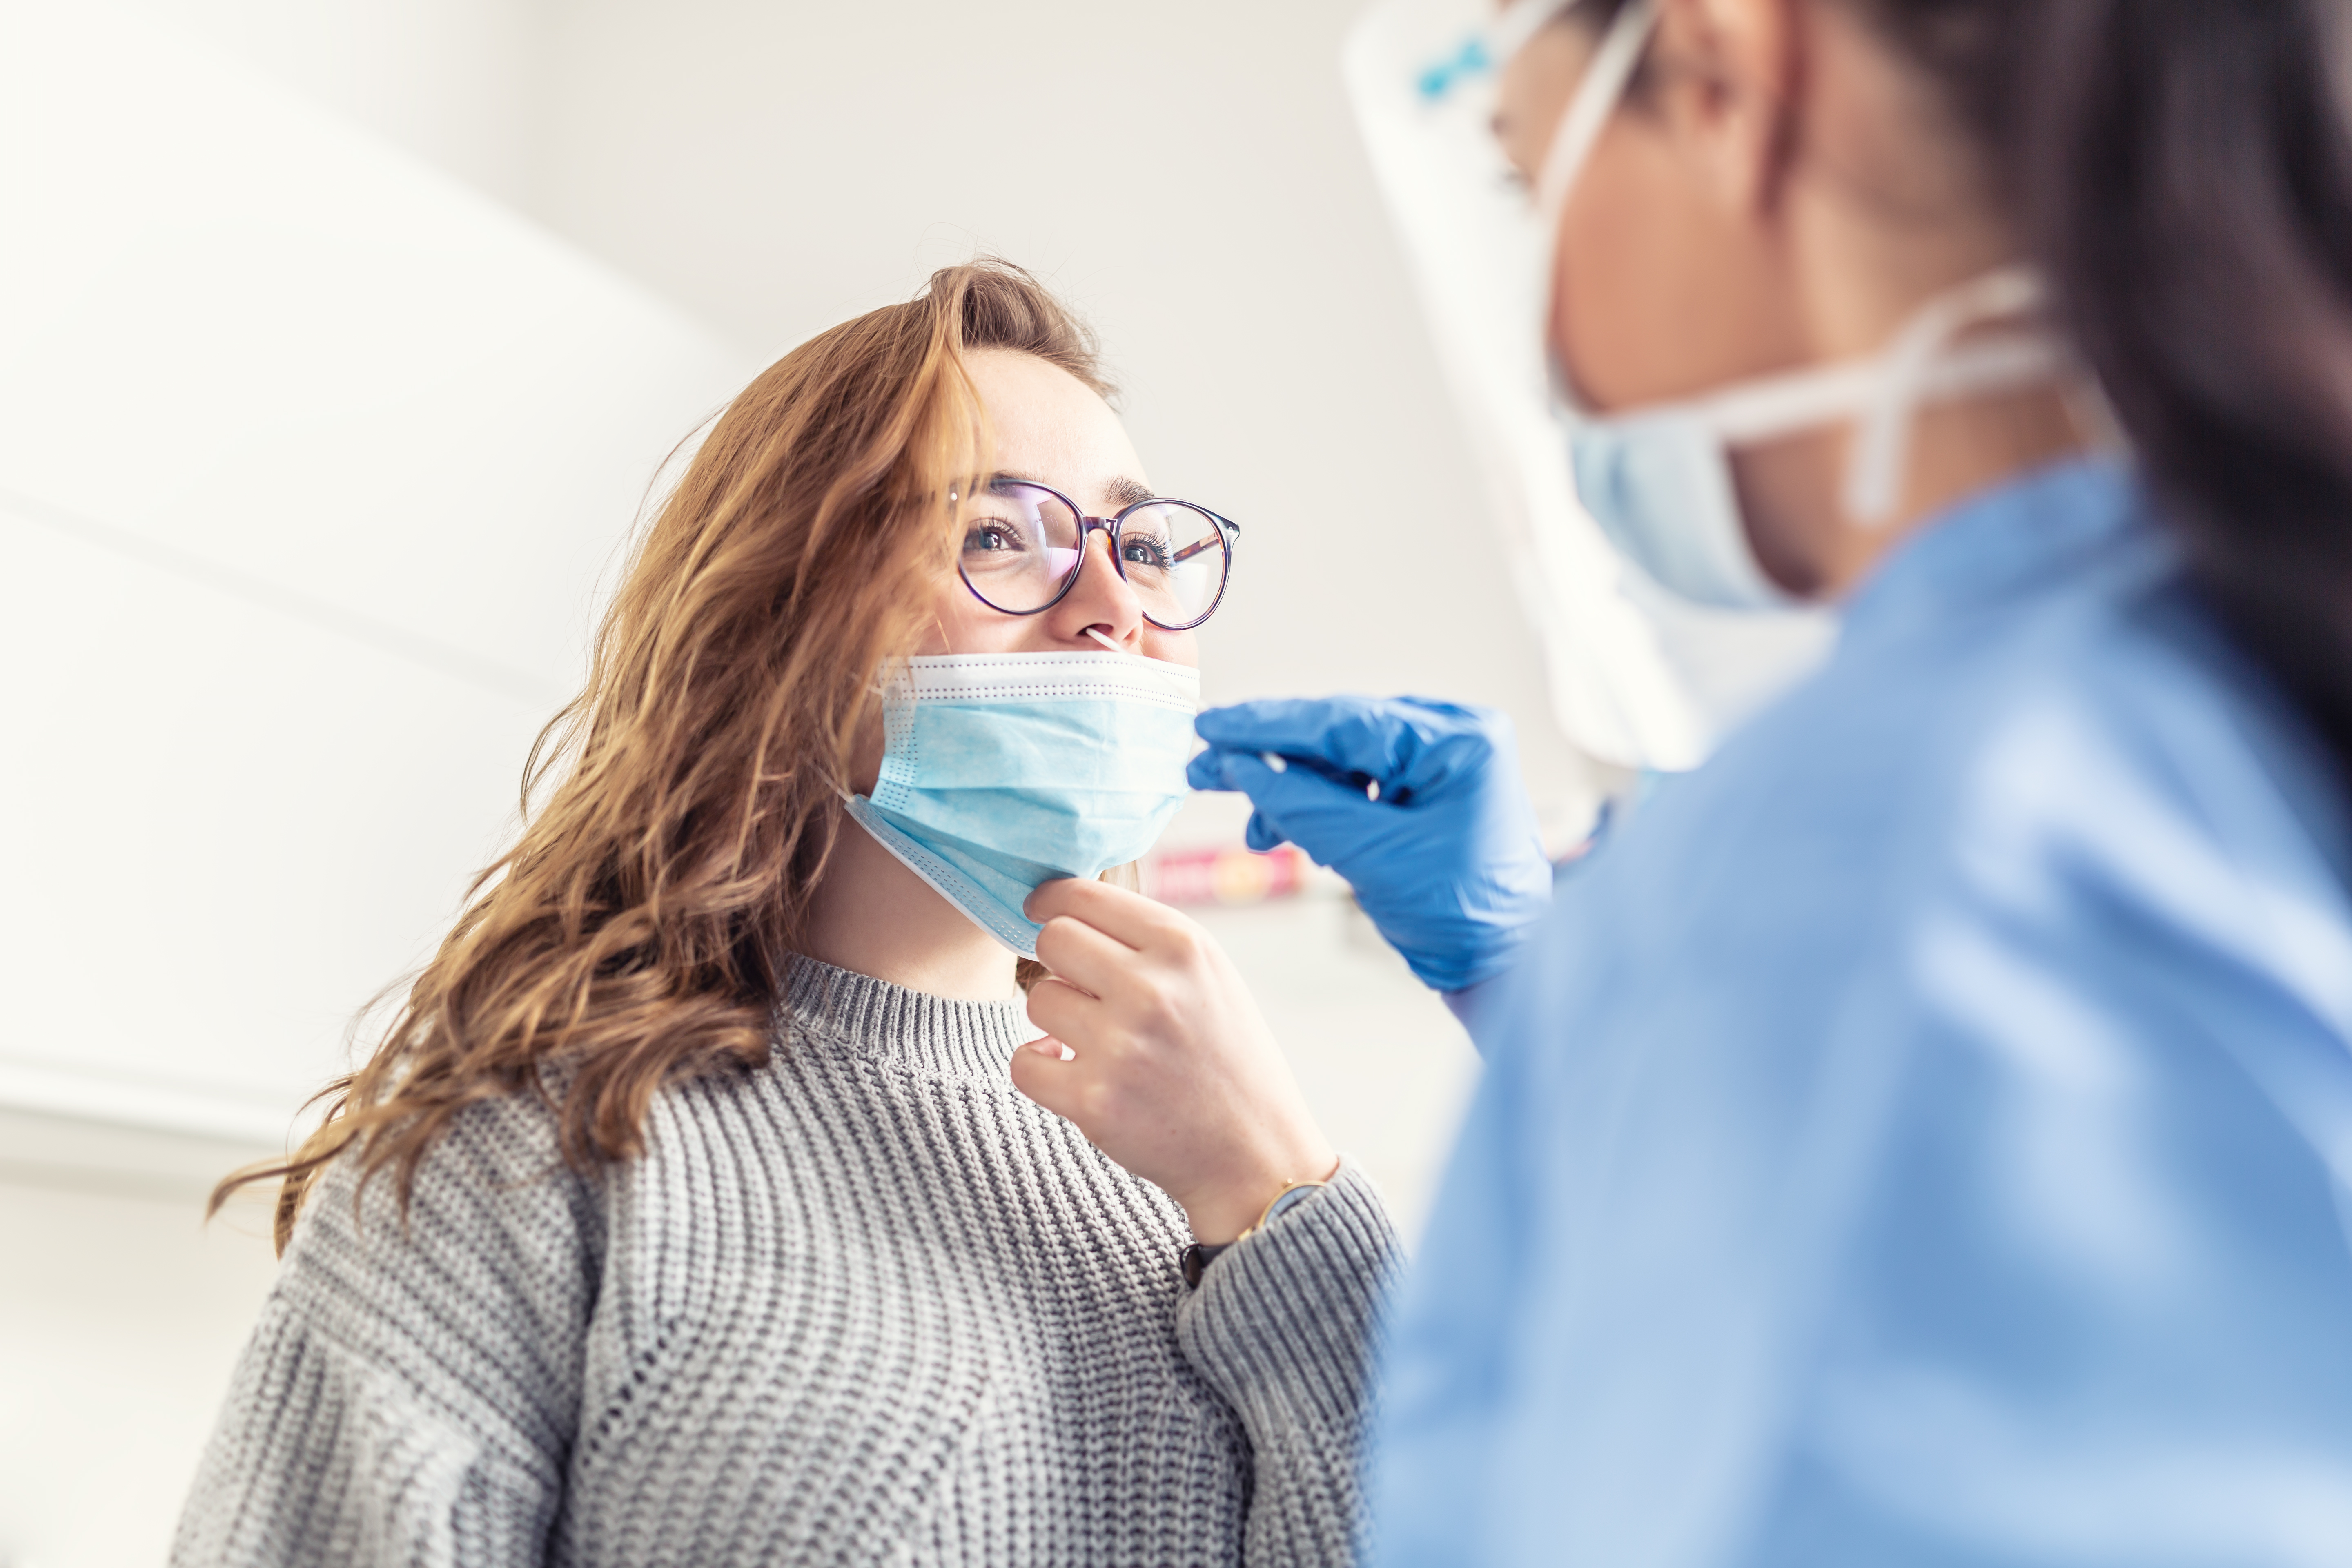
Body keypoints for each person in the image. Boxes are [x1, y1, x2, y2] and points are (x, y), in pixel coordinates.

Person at [1042, 0, 2352, 1561]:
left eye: (1532, 189)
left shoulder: (1857, 860)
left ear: (1734, 76)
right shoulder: (2210, 692)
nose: (1550, 348)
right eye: (997, 538)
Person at [174, 261, 1396, 1568]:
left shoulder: (1210, 1158)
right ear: (785, 620)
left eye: (1141, 546)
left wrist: (1281, 1200)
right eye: (996, 537)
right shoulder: (543, 1152)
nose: (1113, 607)